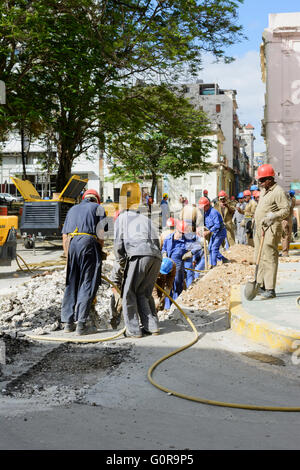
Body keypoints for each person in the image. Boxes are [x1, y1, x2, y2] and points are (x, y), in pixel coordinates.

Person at [111, 184, 162, 337]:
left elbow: (118, 245)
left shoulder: (122, 218)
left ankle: (134, 330)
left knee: (129, 293)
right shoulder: (145, 219)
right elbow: (157, 241)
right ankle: (152, 327)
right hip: (156, 257)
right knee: (144, 293)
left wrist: (120, 264)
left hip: (139, 255)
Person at [61, 189, 107, 335]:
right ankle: (81, 324)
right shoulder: (98, 208)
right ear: (97, 200)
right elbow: (101, 235)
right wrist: (99, 252)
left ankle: (68, 323)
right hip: (88, 243)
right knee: (88, 282)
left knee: (72, 281)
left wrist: (69, 255)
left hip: (72, 243)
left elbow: (64, 236)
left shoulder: (72, 209)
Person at [254, 164, 290, 299]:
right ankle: (261, 284)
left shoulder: (278, 192)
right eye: (259, 180)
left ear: (270, 179)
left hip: (271, 227)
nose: (260, 183)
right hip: (260, 228)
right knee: (260, 256)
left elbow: (285, 210)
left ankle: (270, 289)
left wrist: (273, 216)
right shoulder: (264, 190)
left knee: (269, 257)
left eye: (262, 180)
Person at [162, 220, 189, 308]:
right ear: (176, 230)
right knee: (167, 285)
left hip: (178, 266)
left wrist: (189, 254)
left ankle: (176, 305)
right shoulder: (168, 238)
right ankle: (167, 306)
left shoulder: (186, 241)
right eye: (181, 232)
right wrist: (164, 253)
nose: (182, 235)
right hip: (167, 265)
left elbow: (198, 248)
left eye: (184, 233)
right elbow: (163, 248)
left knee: (177, 285)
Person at [198, 196, 229, 267]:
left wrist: (208, 232)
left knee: (214, 248)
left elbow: (217, 225)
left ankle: (213, 265)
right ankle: (224, 259)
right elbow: (205, 223)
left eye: (203, 207)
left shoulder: (213, 212)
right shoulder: (205, 213)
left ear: (207, 205)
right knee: (210, 248)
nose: (201, 209)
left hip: (220, 232)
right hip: (215, 232)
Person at [281, 190, 296, 257]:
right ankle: (286, 251)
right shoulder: (293, 199)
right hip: (290, 220)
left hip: (285, 220)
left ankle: (284, 252)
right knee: (288, 236)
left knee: (284, 237)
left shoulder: (288, 201)